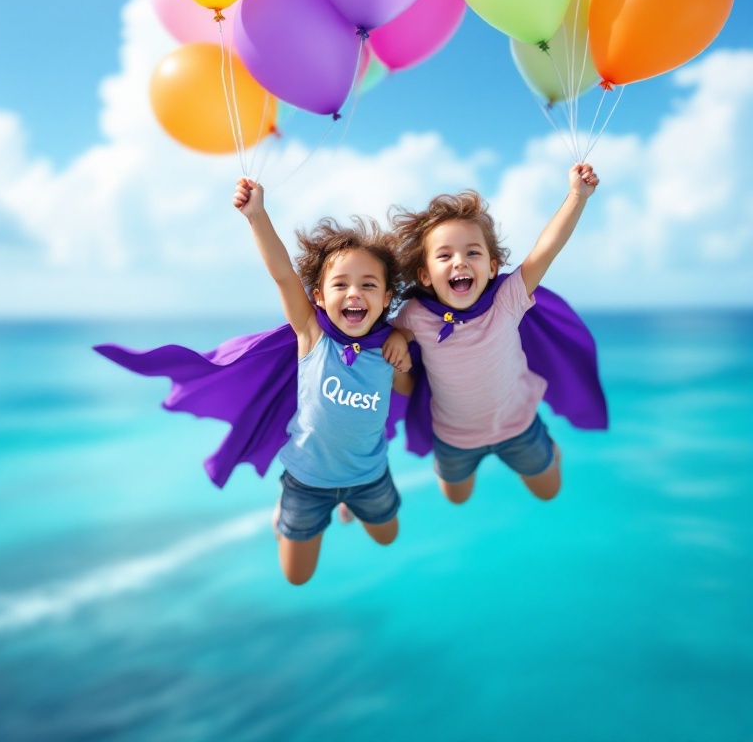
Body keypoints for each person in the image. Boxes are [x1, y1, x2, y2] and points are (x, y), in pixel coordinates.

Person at [233, 177, 413, 585]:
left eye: (369, 285)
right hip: (306, 481)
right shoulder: (311, 335)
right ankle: (283, 509)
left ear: (386, 298)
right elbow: (282, 275)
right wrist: (257, 216)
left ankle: (348, 506)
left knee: (389, 537)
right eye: (341, 284)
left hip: (369, 477)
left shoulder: (388, 348)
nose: (355, 293)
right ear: (318, 296)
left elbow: (406, 392)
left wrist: (404, 356)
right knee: (296, 576)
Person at [390, 163, 600, 506]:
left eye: (472, 252)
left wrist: (577, 195)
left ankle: (548, 446)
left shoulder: (506, 300)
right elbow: (394, 344)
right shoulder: (414, 316)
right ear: (425, 275)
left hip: (518, 427)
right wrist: (398, 340)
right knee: (456, 497)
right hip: (454, 438)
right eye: (445, 255)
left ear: (491, 267)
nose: (459, 262)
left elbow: (546, 249)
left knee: (549, 492)